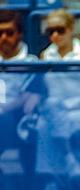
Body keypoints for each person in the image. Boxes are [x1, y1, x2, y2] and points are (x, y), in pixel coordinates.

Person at [36, 9, 80, 190]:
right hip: (55, 110)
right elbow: (45, 92)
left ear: (71, 29)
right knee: (43, 124)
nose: (55, 36)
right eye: (50, 31)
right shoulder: (45, 56)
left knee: (48, 123)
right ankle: (60, 171)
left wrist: (68, 108)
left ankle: (55, 182)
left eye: (60, 30)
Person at [0, 10, 38, 176]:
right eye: (0, 33)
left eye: (9, 33)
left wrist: (3, 109)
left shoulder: (32, 62)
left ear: (20, 34)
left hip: (18, 117)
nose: (3, 38)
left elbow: (27, 97)